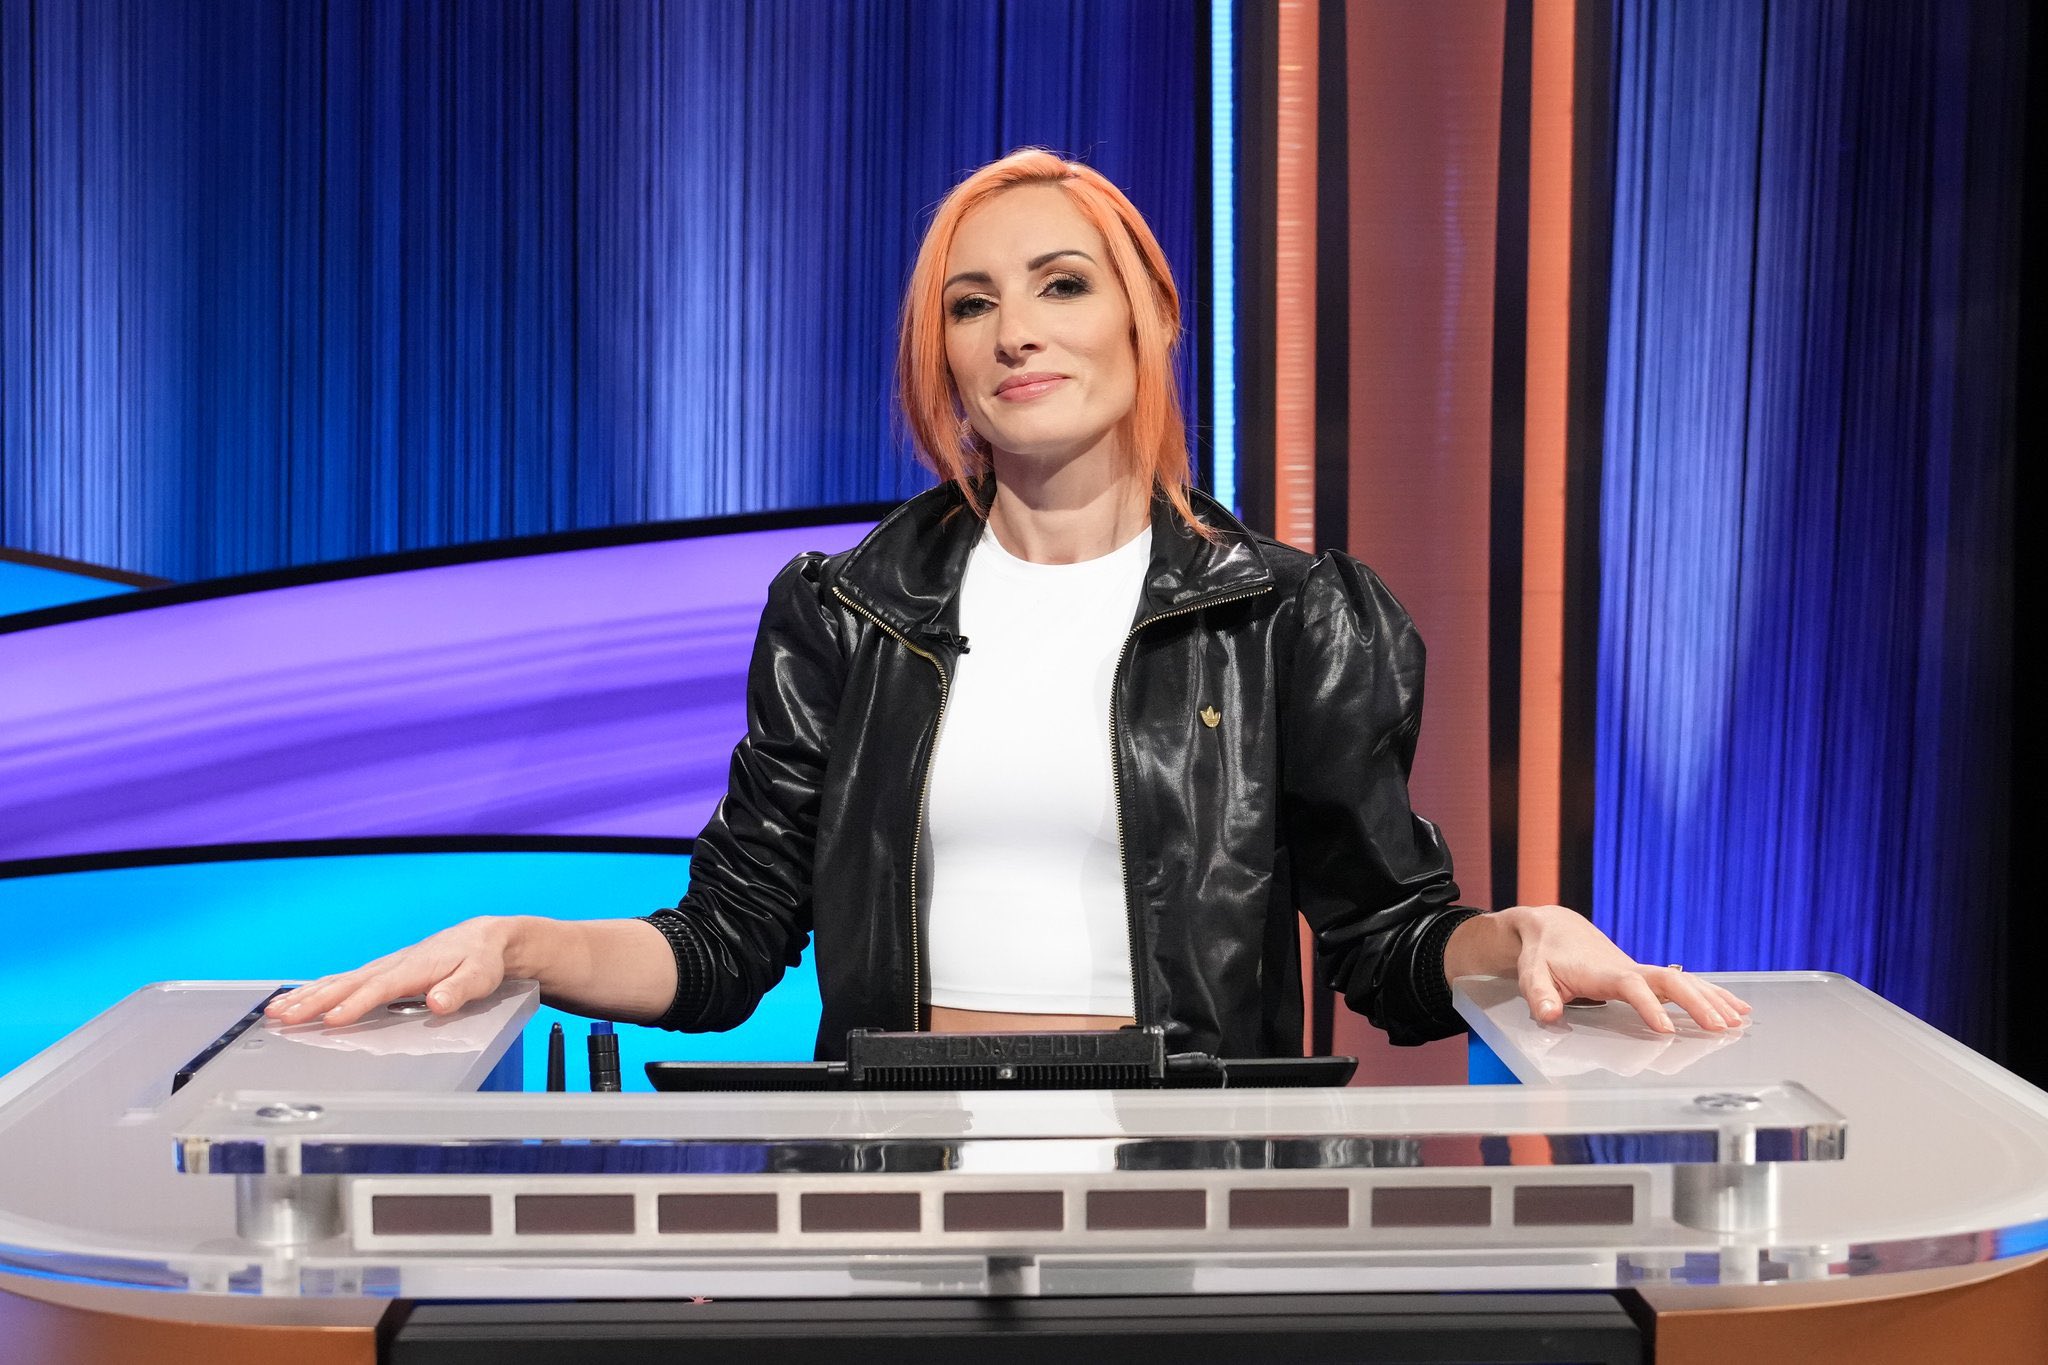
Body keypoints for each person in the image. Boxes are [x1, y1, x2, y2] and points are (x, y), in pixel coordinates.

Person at [268, 150, 1748, 1054]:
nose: (1015, 332)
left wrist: (1519, 937)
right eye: (971, 304)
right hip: (892, 1190)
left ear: (1151, 317)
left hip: (1184, 1197)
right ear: (944, 357)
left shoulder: (1291, 617)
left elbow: (1390, 948)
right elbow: (725, 946)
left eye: (1061, 285)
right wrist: (522, 944)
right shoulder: (846, 615)